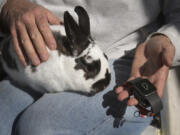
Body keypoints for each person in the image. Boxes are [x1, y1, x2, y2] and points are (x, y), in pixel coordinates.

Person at [0, 0, 180, 135]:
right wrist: (8, 5)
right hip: (41, 51)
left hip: (128, 58)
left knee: (39, 126)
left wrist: (167, 38)